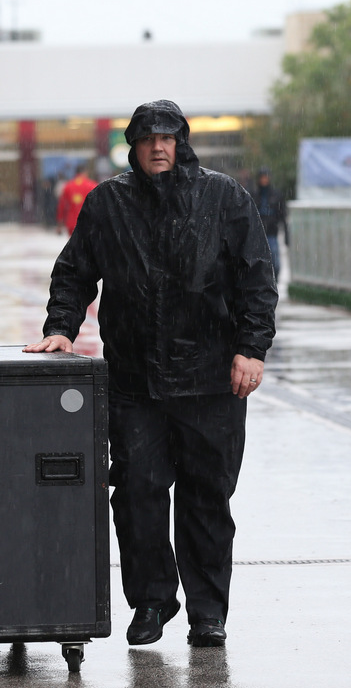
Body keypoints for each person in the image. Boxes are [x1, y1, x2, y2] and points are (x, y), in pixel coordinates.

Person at [25, 100, 277, 649]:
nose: (158, 146)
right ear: (132, 145)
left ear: (182, 142)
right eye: (147, 138)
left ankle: (208, 611)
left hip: (212, 380)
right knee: (137, 492)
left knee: (207, 497)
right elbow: (74, 272)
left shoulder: (224, 198)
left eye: (168, 137)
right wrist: (61, 326)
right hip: (137, 383)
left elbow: (257, 278)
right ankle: (152, 601)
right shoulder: (108, 204)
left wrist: (251, 348)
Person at [254, 169, 287, 282]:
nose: (264, 180)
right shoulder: (254, 195)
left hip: (272, 232)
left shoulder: (276, 195)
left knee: (275, 261)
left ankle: (274, 281)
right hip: (257, 233)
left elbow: (282, 215)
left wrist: (286, 233)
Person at [56, 164, 96, 235]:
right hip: (88, 222)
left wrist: (60, 223)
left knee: (75, 245)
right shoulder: (92, 186)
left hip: (72, 223)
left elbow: (62, 206)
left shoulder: (68, 186)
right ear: (85, 172)